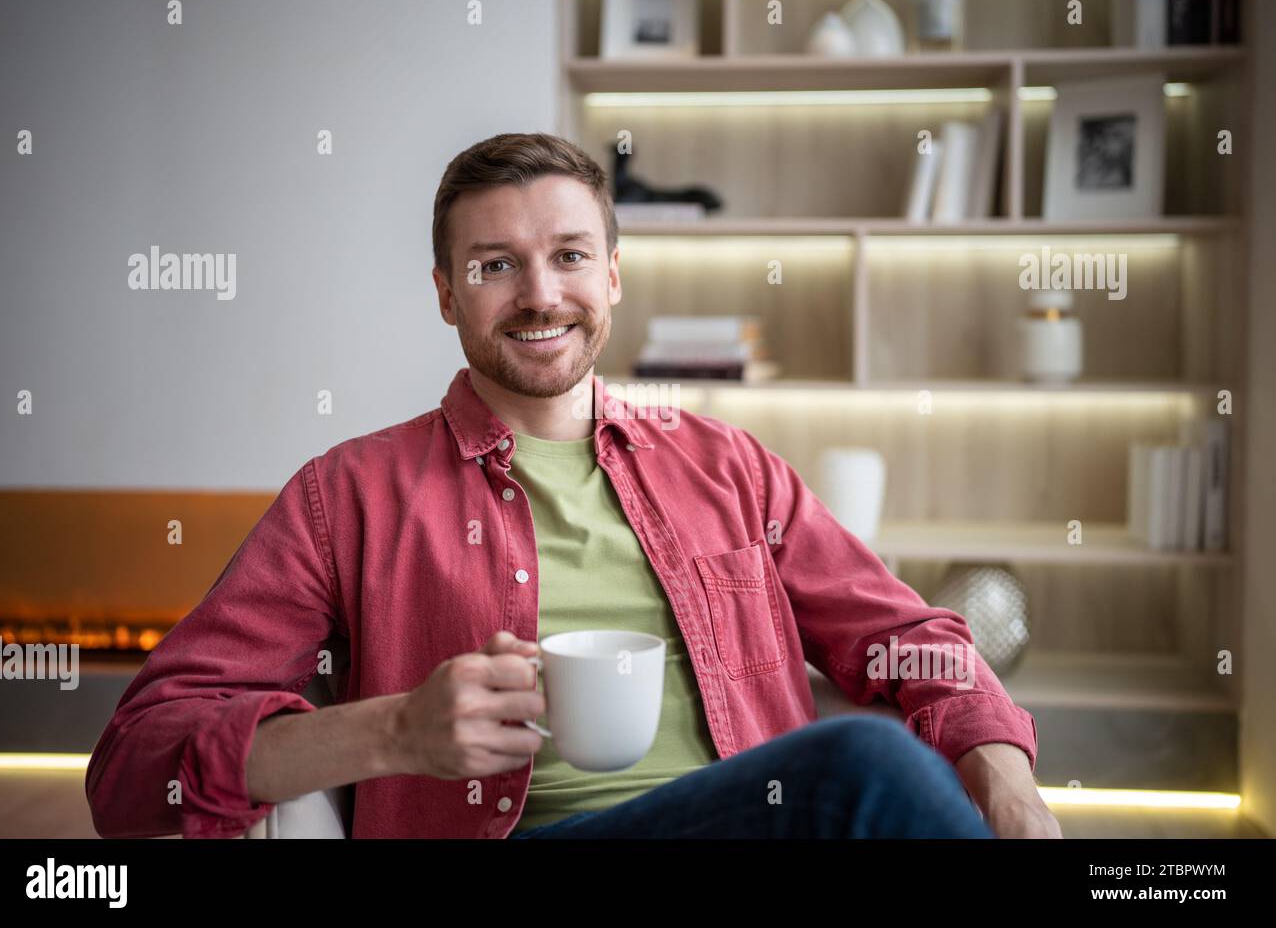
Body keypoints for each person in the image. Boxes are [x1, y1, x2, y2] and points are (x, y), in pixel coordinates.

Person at [85, 132, 1061, 839]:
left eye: (568, 256)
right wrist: (391, 729)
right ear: (444, 292)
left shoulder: (726, 465)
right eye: (495, 264)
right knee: (867, 765)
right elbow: (135, 768)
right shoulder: (345, 496)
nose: (541, 294)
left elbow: (914, 640)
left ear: (613, 276)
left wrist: (1008, 785)